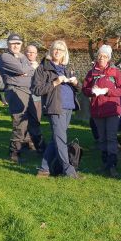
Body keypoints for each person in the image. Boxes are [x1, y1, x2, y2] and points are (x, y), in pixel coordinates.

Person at [32, 40, 82, 179]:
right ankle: (69, 171)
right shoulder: (43, 68)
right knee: (61, 139)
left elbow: (79, 89)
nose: (58, 52)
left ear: (64, 53)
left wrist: (76, 82)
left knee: (57, 139)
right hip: (55, 107)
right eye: (55, 49)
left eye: (61, 50)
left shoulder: (66, 68)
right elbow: (36, 89)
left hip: (68, 107)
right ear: (51, 50)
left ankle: (43, 169)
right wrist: (55, 82)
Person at [82, 45, 121, 177]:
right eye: (100, 56)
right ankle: (104, 163)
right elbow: (85, 89)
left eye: (104, 56)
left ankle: (112, 165)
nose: (102, 58)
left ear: (108, 58)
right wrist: (92, 91)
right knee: (102, 138)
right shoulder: (91, 73)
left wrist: (108, 91)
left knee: (111, 137)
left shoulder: (115, 72)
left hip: (112, 109)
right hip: (97, 110)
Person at [0, 33, 36, 162]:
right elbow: (21, 69)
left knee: (29, 120)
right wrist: (25, 71)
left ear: (21, 45)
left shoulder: (23, 56)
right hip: (15, 90)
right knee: (19, 122)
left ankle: (25, 145)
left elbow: (29, 71)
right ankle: (14, 153)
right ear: (8, 44)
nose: (15, 45)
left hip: (27, 90)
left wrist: (26, 71)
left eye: (18, 43)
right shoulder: (5, 57)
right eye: (13, 43)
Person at [25, 44, 46, 153]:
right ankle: (27, 143)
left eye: (33, 52)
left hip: (36, 98)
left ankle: (38, 145)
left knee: (35, 121)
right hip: (23, 97)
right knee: (23, 122)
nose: (31, 54)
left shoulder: (40, 67)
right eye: (29, 51)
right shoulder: (20, 64)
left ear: (36, 54)